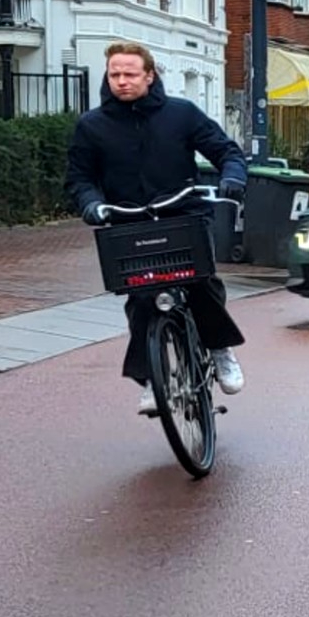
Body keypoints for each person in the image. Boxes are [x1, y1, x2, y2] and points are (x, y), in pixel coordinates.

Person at [68, 41, 249, 415]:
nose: (122, 81)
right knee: (142, 301)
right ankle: (154, 377)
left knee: (201, 284)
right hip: (128, 222)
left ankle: (219, 350)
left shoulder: (180, 114)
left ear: (149, 76)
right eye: (115, 74)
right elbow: (80, 179)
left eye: (130, 74)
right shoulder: (92, 126)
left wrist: (233, 177)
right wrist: (90, 203)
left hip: (182, 213)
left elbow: (226, 151)